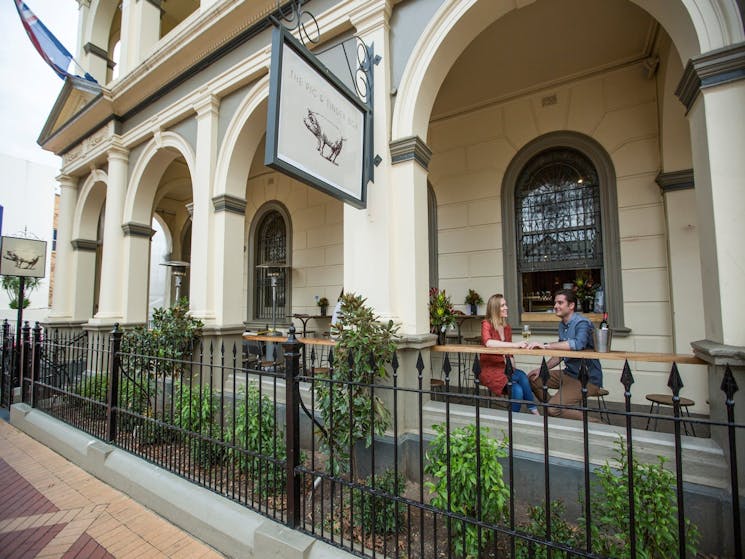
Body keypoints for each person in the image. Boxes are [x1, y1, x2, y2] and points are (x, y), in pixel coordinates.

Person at [526, 289, 603, 420]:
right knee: (533, 379)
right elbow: (560, 354)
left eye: (560, 303)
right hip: (569, 373)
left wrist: (546, 345)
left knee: (552, 408)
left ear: (571, 305)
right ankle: (555, 410)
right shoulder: (562, 325)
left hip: (586, 379)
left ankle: (596, 425)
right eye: (555, 303)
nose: (555, 306)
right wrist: (541, 369)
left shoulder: (582, 323)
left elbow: (578, 345)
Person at [480, 294, 540, 414]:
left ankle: (531, 411)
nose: (506, 307)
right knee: (517, 389)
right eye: (503, 305)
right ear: (495, 308)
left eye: (505, 305)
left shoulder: (507, 328)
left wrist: (513, 367)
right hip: (491, 369)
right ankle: (520, 417)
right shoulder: (487, 324)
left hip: (504, 368)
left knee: (521, 377)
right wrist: (516, 345)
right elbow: (488, 342)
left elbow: (510, 353)